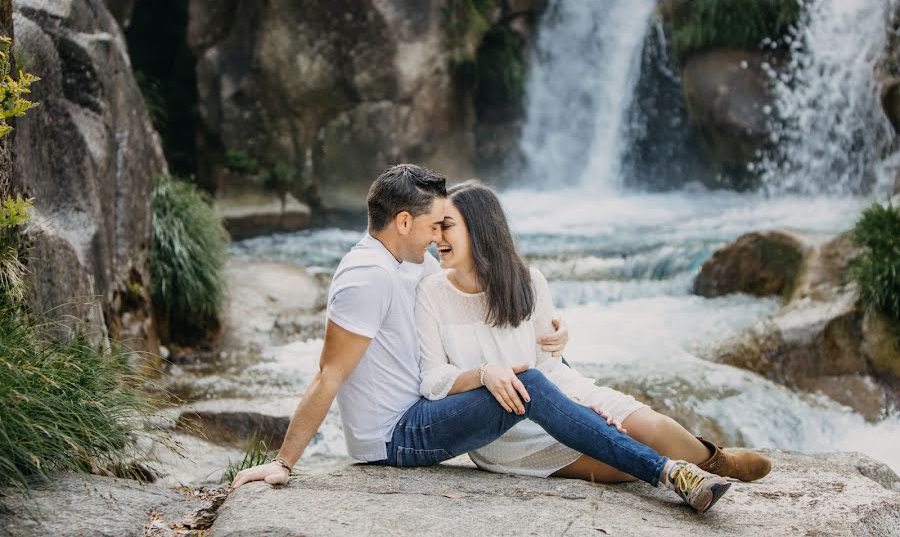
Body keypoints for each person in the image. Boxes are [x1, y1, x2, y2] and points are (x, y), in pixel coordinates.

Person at [231, 164, 732, 513]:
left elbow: (489, 314)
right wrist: (283, 462)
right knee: (528, 384)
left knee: (538, 378)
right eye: (432, 226)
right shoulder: (365, 276)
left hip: (426, 409)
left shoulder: (411, 263)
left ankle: (683, 465)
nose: (437, 237)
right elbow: (329, 373)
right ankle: (671, 474)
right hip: (395, 437)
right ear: (403, 221)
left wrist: (555, 336)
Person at [416, 180, 772, 485]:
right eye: (435, 227)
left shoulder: (527, 281)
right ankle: (689, 473)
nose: (436, 237)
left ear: (479, 229)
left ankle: (717, 461)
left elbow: (548, 365)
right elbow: (432, 378)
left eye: (446, 226)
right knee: (625, 469)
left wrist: (580, 410)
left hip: (560, 394)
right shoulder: (431, 292)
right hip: (506, 434)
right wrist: (482, 375)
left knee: (656, 429)